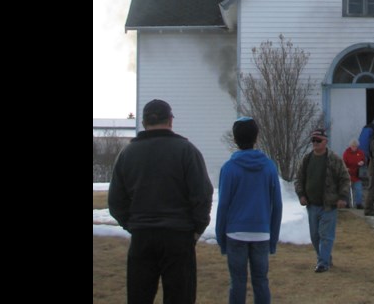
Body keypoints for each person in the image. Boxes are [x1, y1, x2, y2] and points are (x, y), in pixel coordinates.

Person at [109, 99, 213, 304]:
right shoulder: (187, 151)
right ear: (170, 121)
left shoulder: (127, 154)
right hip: (179, 237)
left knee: (139, 297)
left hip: (142, 237)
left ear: (144, 122)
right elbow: (202, 195)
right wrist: (197, 228)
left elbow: (116, 202)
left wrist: (132, 225)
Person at [216, 117, 283, 304]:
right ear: (256, 137)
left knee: (237, 282)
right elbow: (277, 205)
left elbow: (223, 206)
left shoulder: (229, 168)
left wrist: (221, 238)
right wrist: (273, 237)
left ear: (235, 139)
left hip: (235, 234)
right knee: (261, 281)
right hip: (261, 233)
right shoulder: (269, 167)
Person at [294, 128, 351, 273]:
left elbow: (345, 179)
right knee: (315, 236)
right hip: (311, 205)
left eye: (318, 140)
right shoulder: (306, 159)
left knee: (326, 235)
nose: (315, 143)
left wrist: (343, 197)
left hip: (329, 206)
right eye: (313, 140)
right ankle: (325, 258)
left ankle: (323, 263)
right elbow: (299, 179)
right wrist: (301, 194)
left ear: (325, 142)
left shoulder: (334, 159)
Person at [342, 138, 366, 209]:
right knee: (347, 190)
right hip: (348, 174)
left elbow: (364, 160)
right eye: (353, 146)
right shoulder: (346, 153)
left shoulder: (360, 153)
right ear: (350, 146)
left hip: (357, 174)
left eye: (355, 146)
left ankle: (359, 203)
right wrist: (346, 168)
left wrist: (362, 162)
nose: (354, 148)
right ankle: (347, 204)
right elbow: (343, 163)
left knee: (359, 190)